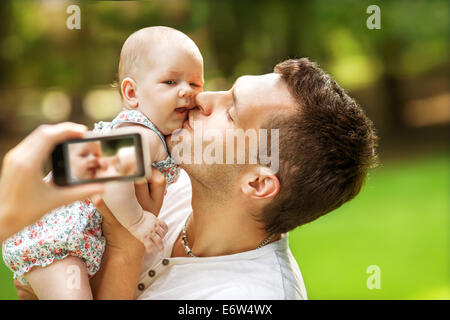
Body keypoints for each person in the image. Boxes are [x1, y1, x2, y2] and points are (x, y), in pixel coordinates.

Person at [77, 57, 377, 299]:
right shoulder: (166, 177)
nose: (203, 98)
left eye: (232, 113)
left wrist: (126, 247)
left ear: (258, 184)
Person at [2, 26, 203, 299]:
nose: (186, 92)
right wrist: (137, 222)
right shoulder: (141, 135)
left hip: (73, 240)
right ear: (131, 93)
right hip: (57, 243)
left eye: (195, 84)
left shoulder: (152, 134)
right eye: (170, 82)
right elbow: (112, 178)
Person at [0, 122, 105, 243]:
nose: (92, 158)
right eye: (83, 155)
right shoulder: (55, 184)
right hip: (57, 239)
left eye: (97, 155)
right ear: (68, 161)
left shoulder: (96, 178)